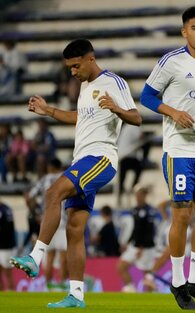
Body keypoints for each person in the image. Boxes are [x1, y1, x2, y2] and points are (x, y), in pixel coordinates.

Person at [10, 39, 142, 308]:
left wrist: (116, 108)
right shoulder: (85, 87)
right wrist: (48, 111)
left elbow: (136, 117)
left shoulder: (114, 83)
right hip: (82, 159)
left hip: (101, 158)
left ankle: (35, 257)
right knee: (73, 229)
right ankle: (77, 295)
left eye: (75, 66)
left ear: (90, 59)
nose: (72, 72)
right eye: (69, 68)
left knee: (53, 192)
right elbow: (80, 117)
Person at [140, 6, 195, 310]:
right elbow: (147, 96)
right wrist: (173, 111)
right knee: (182, 215)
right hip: (179, 150)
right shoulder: (171, 62)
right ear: (184, 31)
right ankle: (177, 283)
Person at [25, 158, 67, 291]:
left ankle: (48, 286)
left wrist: (36, 213)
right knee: (64, 256)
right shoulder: (66, 177)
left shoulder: (44, 180)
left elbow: (29, 197)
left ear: (50, 167)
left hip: (47, 221)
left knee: (49, 256)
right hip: (63, 221)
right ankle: (62, 285)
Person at [117, 185, 156, 292]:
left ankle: (149, 297)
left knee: (147, 273)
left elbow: (149, 231)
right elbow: (136, 229)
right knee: (121, 266)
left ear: (144, 196)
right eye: (136, 195)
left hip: (146, 247)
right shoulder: (135, 210)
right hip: (135, 245)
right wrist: (128, 242)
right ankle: (130, 287)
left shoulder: (149, 211)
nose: (137, 198)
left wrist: (141, 247)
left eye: (139, 195)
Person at [0, 201, 16, 291]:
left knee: (8, 272)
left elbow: (9, 228)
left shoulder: (6, 209)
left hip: (6, 247)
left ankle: (11, 292)